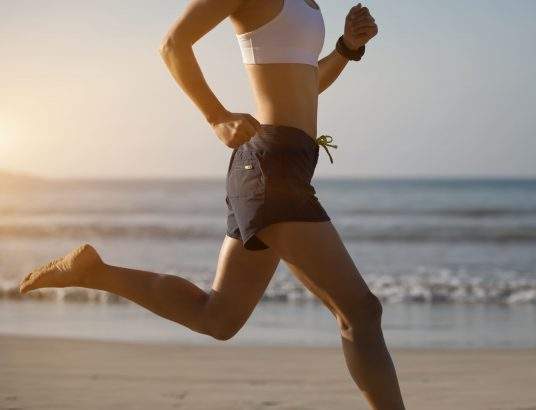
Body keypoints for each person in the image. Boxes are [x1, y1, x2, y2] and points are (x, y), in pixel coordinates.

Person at [19, 0, 406, 408]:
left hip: (284, 165)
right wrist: (216, 116)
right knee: (361, 313)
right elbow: (173, 44)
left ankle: (94, 272)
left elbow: (303, 86)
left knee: (217, 317)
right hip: (269, 166)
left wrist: (345, 48)